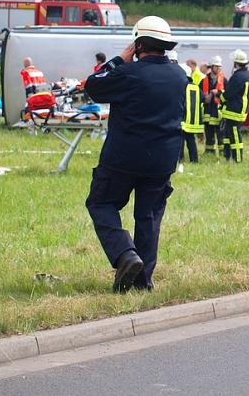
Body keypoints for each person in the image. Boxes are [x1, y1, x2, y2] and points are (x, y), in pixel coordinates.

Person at [84, 15, 187, 292]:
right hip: (163, 159)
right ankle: (143, 281)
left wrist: (119, 59)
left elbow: (93, 86)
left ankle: (125, 254)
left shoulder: (128, 73)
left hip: (123, 158)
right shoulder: (180, 75)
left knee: (101, 204)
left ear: (138, 44)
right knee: (149, 217)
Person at [222, 49, 249, 162]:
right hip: (240, 110)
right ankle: (227, 155)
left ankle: (238, 159)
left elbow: (229, 93)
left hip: (234, 111)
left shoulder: (238, 76)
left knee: (235, 135)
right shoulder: (247, 75)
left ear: (236, 63)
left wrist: (220, 97)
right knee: (228, 133)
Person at [201, 55, 226, 156]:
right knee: (209, 134)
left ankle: (222, 153)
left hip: (219, 113)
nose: (219, 68)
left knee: (221, 135)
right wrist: (204, 98)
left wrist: (218, 93)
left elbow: (228, 94)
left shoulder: (224, 80)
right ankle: (209, 152)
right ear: (211, 67)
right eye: (216, 66)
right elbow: (199, 93)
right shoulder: (204, 80)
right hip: (208, 112)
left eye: (220, 66)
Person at [179, 64, 203, 164]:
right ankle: (195, 160)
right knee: (191, 141)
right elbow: (203, 100)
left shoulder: (182, 87)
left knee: (180, 141)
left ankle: (180, 159)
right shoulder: (197, 88)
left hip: (183, 119)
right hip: (193, 121)